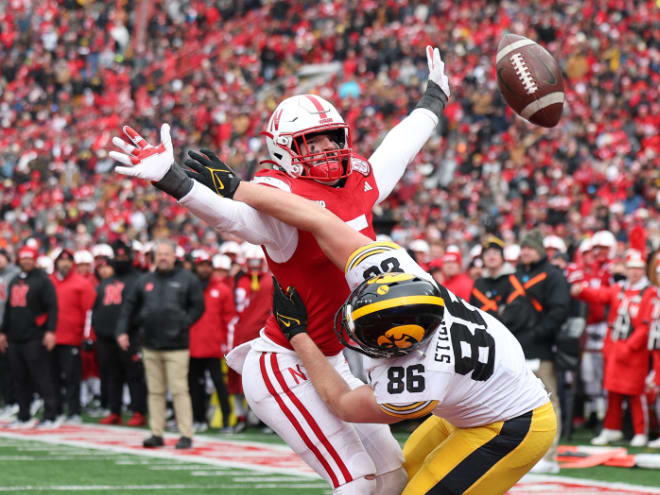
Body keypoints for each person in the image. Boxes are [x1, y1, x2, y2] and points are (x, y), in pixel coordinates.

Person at [110, 45, 450, 493]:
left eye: (332, 137)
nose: (328, 149)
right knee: (357, 479)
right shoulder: (277, 193)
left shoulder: (360, 179)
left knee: (392, 472)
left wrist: (434, 99)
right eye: (313, 141)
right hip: (283, 361)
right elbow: (235, 217)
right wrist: (173, 180)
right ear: (286, 150)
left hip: (330, 359)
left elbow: (400, 147)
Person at [200, 174, 555, 494]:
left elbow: (342, 403)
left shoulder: (422, 374)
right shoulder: (395, 271)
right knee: (397, 478)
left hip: (511, 427)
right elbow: (318, 218)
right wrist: (239, 189)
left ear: (400, 347)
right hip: (466, 405)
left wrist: (300, 336)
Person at [115, 240, 204, 449]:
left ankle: (186, 434)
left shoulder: (187, 279)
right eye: (160, 254)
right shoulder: (144, 281)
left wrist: (183, 323)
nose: (163, 258)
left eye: (167, 254)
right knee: (154, 391)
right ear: (154, 258)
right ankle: (156, 432)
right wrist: (122, 331)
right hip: (150, 344)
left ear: (174, 256)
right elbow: (128, 307)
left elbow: (198, 306)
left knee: (179, 390)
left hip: (177, 345)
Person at [572, 249, 655, 447]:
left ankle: (640, 431)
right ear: (626, 270)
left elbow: (645, 325)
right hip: (614, 348)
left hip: (635, 352)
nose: (635, 273)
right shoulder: (618, 288)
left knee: (636, 393)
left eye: (639, 269)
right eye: (631, 269)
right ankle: (611, 429)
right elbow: (599, 295)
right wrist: (582, 291)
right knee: (612, 392)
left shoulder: (650, 292)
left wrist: (630, 346)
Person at [504, 230, 570, 474]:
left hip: (541, 348)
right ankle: (522, 453)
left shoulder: (553, 275)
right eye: (523, 247)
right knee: (516, 403)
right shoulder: (516, 274)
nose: (526, 251)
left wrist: (536, 334)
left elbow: (559, 311)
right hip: (515, 348)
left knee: (548, 401)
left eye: (530, 247)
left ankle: (550, 456)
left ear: (540, 249)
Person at [0, 246, 59, 428]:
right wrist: (3, 332)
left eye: (29, 258)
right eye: (23, 258)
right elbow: (9, 309)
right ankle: (23, 414)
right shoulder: (15, 280)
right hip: (15, 337)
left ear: (35, 260)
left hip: (34, 336)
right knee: (19, 377)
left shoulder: (43, 281)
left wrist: (50, 331)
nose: (26, 261)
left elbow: (52, 307)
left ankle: (51, 415)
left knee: (41, 377)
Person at [93, 241, 147, 427]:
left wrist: (132, 330)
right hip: (106, 337)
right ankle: (114, 410)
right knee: (111, 375)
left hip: (130, 336)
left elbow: (142, 309)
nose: (121, 260)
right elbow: (97, 308)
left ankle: (138, 411)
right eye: (118, 257)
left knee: (134, 375)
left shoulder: (138, 280)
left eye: (124, 257)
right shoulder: (106, 282)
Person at [188, 249, 234, 433]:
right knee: (194, 385)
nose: (204, 269)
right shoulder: (189, 288)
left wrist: (228, 346)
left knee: (220, 385)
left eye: (207, 265)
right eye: (201, 265)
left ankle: (226, 420)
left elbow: (230, 319)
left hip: (214, 346)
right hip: (192, 345)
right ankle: (198, 418)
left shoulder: (222, 290)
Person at [49, 248, 97, 424]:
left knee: (72, 378)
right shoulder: (49, 282)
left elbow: (89, 312)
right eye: (62, 261)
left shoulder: (82, 283)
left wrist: (88, 336)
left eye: (68, 261)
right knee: (52, 377)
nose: (65, 264)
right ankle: (56, 409)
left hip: (72, 338)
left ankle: (74, 411)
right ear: (56, 263)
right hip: (51, 337)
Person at [469, 235, 514, 318]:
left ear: (502, 257)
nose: (491, 256)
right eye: (487, 253)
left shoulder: (513, 280)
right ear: (483, 259)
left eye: (496, 252)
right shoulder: (478, 283)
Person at [0, 249, 19, 417]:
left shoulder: (15, 276)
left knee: (10, 367)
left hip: (9, 328)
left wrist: (5, 329)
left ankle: (13, 400)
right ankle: (7, 400)